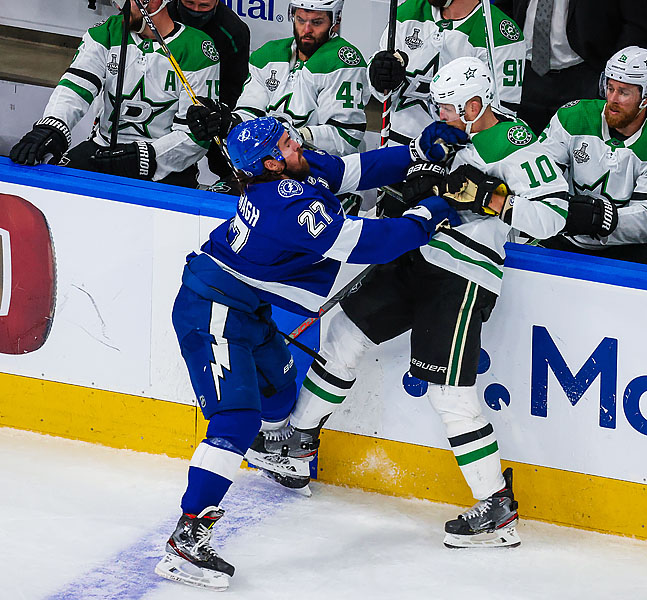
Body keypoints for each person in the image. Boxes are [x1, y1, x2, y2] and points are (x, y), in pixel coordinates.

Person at [249, 56, 568, 549]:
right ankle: (297, 444)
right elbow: (383, 174)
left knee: (449, 393)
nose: (439, 112)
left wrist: (494, 201)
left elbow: (554, 216)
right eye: (438, 103)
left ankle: (496, 506)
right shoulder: (440, 134)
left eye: (449, 105)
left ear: (477, 102)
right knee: (344, 337)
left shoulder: (517, 142)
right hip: (411, 256)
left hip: (462, 275)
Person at [154, 115, 464, 590]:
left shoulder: (293, 170)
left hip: (248, 308)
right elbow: (370, 245)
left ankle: (270, 450)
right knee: (235, 420)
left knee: (278, 398)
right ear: (271, 164)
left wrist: (419, 153)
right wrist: (428, 214)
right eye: (287, 143)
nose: (298, 143)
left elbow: (353, 170)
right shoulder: (286, 207)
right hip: (212, 309)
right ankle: (187, 538)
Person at [9, 0, 220, 187]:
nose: (122, 7)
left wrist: (147, 157)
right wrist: (52, 126)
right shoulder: (106, 33)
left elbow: (196, 134)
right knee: (50, 182)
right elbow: (75, 87)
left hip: (163, 163)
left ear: (155, 2)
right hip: (104, 149)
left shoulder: (198, 50)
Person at [186, 0, 369, 190]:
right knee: (220, 200)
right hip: (268, 170)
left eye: (316, 22)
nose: (306, 29)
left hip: (318, 173)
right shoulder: (268, 54)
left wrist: (286, 136)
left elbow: (345, 137)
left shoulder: (344, 62)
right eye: (300, 19)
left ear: (335, 21)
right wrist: (227, 121)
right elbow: (250, 111)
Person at [537, 47, 647, 267]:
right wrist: (565, 212)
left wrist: (598, 218)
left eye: (624, 92)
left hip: (635, 247)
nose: (612, 99)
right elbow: (539, 179)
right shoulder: (572, 117)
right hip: (569, 234)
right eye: (610, 87)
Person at [367, 0, 525, 148]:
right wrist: (380, 77)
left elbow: (500, 117)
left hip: (457, 156)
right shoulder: (407, 13)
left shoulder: (500, 35)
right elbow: (381, 92)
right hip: (396, 144)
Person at [494, 0, 647, 133]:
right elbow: (502, 10)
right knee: (522, 149)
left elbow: (635, 25)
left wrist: (614, 74)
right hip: (524, 74)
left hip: (585, 75)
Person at [167, 0, 251, 179]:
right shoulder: (162, 16)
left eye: (204, 6)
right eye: (189, 3)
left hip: (212, 108)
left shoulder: (234, 30)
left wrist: (219, 117)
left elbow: (236, 84)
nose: (195, 10)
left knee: (228, 166)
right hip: (166, 103)